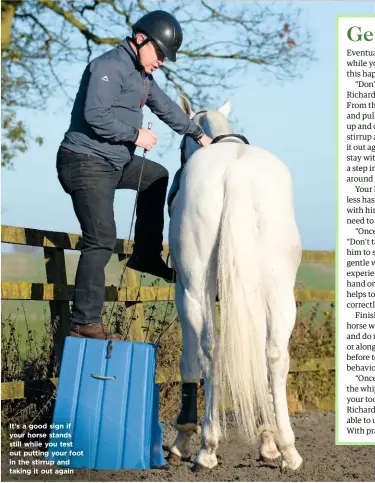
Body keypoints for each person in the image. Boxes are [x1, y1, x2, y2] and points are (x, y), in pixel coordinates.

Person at [56, 10, 212, 340]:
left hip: (114, 162)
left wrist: (199, 136)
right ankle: (84, 321)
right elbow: (94, 114)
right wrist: (135, 134)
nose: (162, 61)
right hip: (84, 160)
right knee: (100, 237)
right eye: (159, 53)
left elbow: (167, 107)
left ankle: (145, 255)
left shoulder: (142, 76)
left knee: (156, 176)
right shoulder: (108, 65)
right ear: (140, 39)